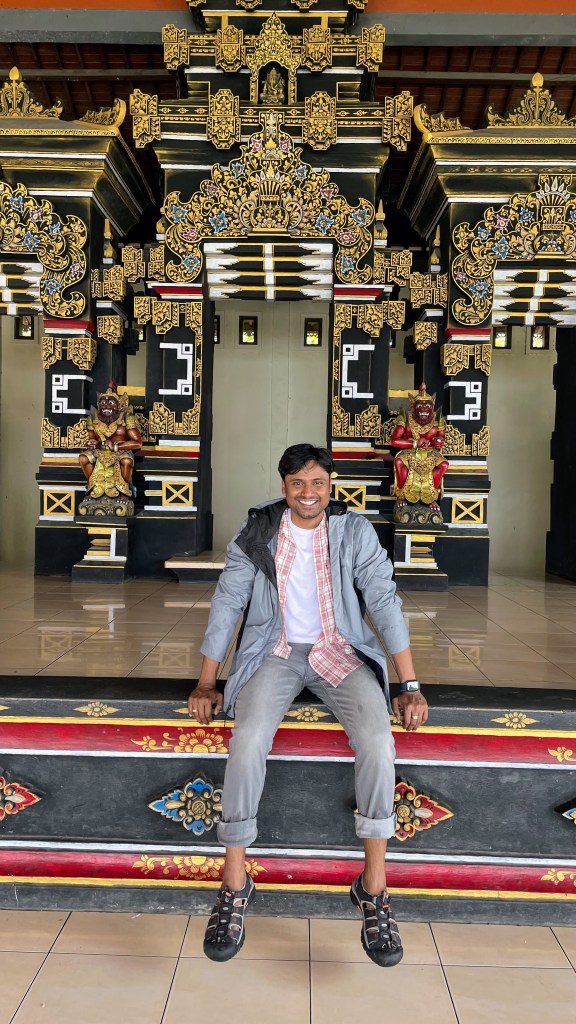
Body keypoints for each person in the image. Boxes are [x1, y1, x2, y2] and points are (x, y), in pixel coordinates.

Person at [187, 443, 428, 967]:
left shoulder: (353, 531)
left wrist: (408, 683)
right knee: (248, 738)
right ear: (284, 487)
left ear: (330, 485)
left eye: (317, 483)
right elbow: (228, 601)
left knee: (378, 740)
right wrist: (207, 682)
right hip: (274, 653)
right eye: (297, 483)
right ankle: (234, 882)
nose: (308, 493)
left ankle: (374, 886)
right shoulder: (258, 531)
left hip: (339, 651)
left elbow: (383, 599)